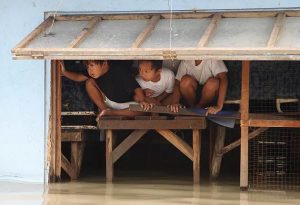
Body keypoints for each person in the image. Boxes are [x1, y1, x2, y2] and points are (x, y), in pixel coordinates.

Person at [59, 60, 152, 119]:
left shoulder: (119, 70)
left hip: (127, 105)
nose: (89, 70)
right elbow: (78, 77)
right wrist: (64, 72)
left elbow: (136, 88)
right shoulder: (93, 74)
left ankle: (111, 113)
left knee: (143, 109)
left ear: (104, 63)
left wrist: (142, 100)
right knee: (89, 82)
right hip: (108, 102)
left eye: (92, 66)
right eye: (87, 67)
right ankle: (105, 110)